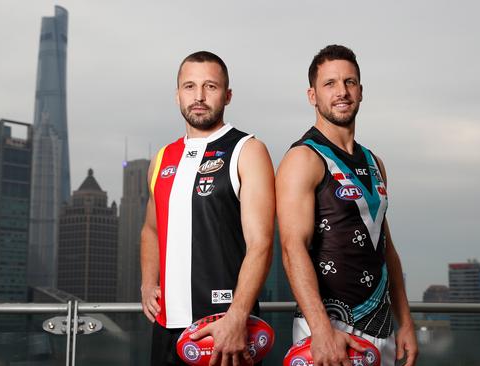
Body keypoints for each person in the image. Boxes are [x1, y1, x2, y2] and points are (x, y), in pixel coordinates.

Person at [276, 45, 418, 366]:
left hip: (381, 329)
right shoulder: (303, 159)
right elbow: (291, 248)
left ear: (361, 91)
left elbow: (386, 247)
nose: (342, 92)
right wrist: (321, 329)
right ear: (312, 95)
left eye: (349, 82)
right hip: (328, 330)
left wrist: (405, 322)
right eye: (330, 84)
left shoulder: (374, 162)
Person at [140, 51, 275, 366]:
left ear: (227, 95)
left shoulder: (247, 150)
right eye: (189, 86)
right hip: (166, 330)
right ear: (177, 95)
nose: (198, 96)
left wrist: (237, 316)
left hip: (225, 328)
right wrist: (148, 283)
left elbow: (262, 244)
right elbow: (150, 229)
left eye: (210, 87)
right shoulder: (161, 159)